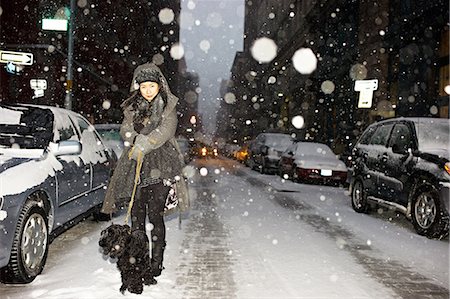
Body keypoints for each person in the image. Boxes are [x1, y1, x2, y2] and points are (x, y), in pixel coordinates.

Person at [101, 62, 188, 283]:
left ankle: (156, 262)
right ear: (137, 86)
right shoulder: (131, 106)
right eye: (143, 86)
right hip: (135, 164)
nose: (147, 90)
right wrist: (132, 139)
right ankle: (138, 260)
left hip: (162, 164)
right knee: (136, 217)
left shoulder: (168, 105)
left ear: (159, 85)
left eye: (151, 85)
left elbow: (168, 129)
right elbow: (125, 128)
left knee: (155, 215)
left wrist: (147, 142)